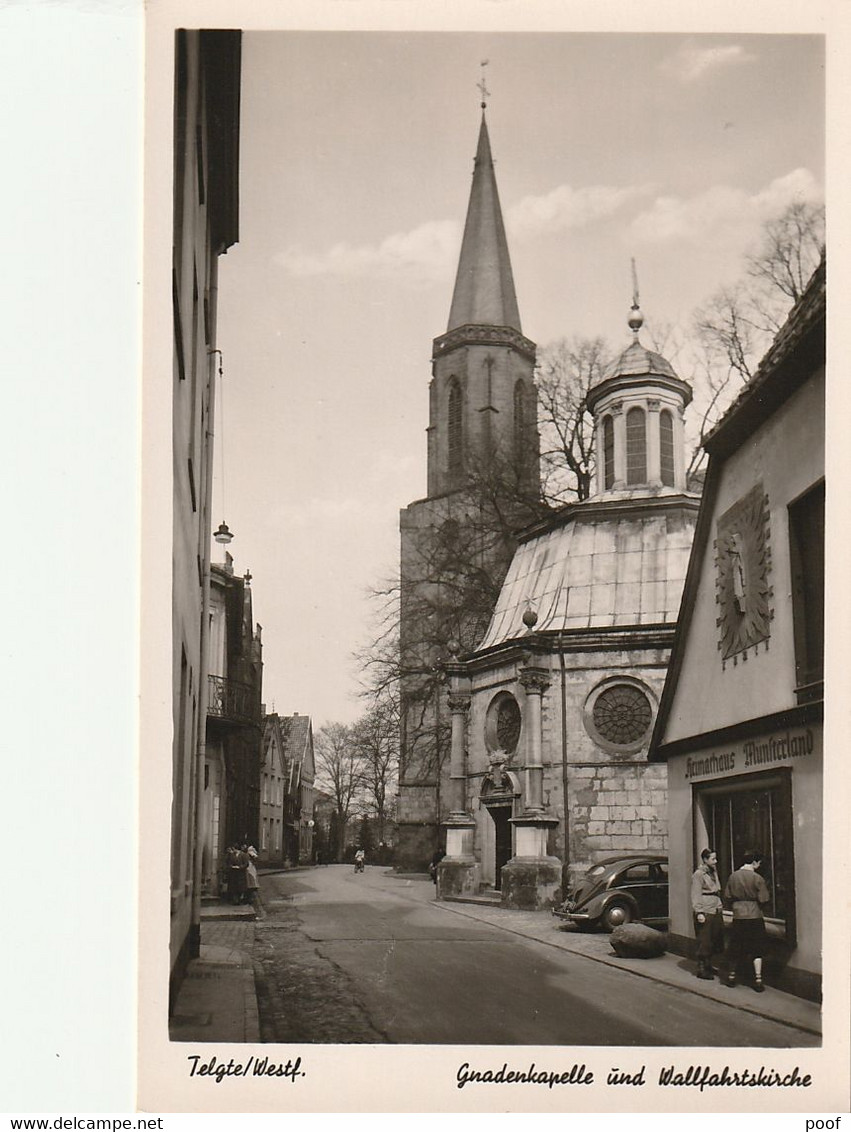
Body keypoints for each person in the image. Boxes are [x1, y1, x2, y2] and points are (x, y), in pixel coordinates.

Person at [723, 849, 771, 992]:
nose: (759, 865)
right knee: (757, 948)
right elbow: (764, 898)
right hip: (754, 915)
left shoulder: (733, 877)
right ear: (755, 862)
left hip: (738, 915)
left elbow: (727, 895)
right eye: (759, 863)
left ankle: (731, 976)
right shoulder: (757, 878)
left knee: (736, 946)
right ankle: (758, 979)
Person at [691, 848, 723, 980]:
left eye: (715, 858)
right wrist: (699, 912)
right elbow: (695, 893)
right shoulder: (699, 874)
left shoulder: (713, 872)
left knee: (714, 938)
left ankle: (709, 964)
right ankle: (702, 968)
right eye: (712, 859)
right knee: (704, 939)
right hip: (706, 909)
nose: (715, 861)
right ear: (705, 860)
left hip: (716, 907)